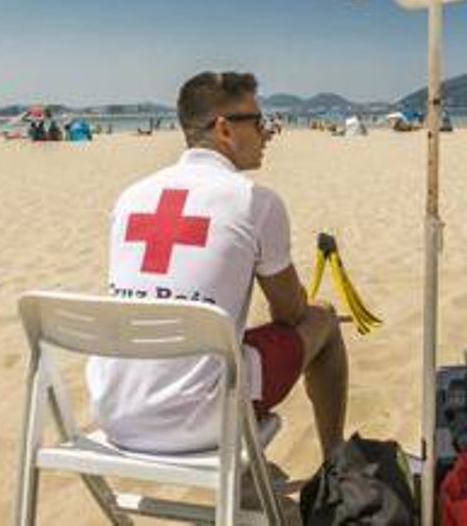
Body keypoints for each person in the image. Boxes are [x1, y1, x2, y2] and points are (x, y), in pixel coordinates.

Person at [87, 71, 348, 457]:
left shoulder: (131, 196)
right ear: (224, 129)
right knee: (322, 318)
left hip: (114, 412)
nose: (268, 133)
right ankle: (335, 461)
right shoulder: (254, 201)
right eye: (259, 123)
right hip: (201, 418)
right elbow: (291, 313)